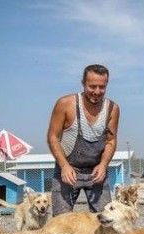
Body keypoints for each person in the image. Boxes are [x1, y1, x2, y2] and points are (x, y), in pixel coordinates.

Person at [47, 64, 120, 216]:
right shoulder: (65, 104)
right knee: (61, 223)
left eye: (102, 87)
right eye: (92, 86)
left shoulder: (112, 109)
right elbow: (53, 137)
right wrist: (64, 166)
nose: (97, 92)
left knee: (106, 221)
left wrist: (103, 164)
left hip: (96, 171)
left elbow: (110, 141)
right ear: (83, 83)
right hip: (68, 170)